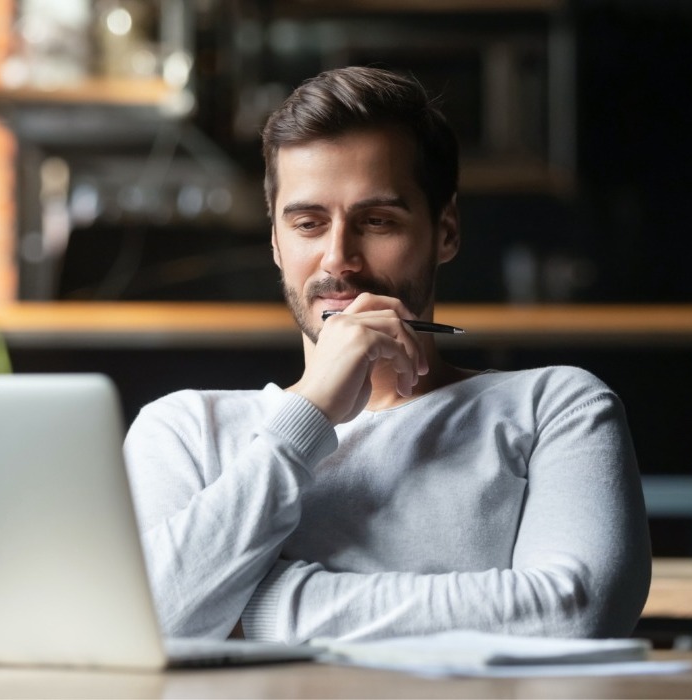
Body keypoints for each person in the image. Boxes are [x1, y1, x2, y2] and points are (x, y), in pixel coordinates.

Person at [124, 66, 651, 643]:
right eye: (308, 223)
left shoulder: (556, 406)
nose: (338, 259)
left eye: (377, 221)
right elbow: (144, 625)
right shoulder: (183, 430)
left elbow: (575, 614)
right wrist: (310, 413)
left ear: (445, 231)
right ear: (275, 241)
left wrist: (256, 606)